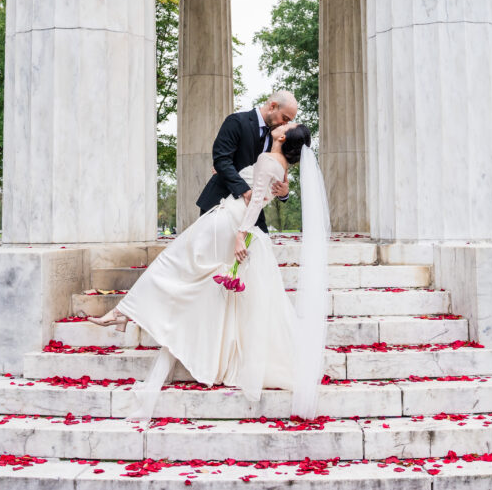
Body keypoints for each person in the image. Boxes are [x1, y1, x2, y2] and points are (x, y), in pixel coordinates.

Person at [82, 121, 329, 419]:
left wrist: (241, 234)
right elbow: (263, 189)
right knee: (195, 278)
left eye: (288, 124)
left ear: (282, 135)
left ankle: (126, 313)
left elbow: (254, 203)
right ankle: (129, 315)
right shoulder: (282, 166)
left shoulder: (267, 160)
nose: (283, 124)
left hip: (231, 222)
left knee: (173, 262)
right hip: (236, 221)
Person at [196, 91, 299, 233]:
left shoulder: (278, 137)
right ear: (273, 106)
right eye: (285, 118)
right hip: (220, 203)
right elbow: (221, 160)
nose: (285, 124)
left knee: (259, 249)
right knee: (214, 253)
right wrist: (245, 191)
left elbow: (277, 173)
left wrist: (284, 192)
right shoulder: (236, 121)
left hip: (253, 212)